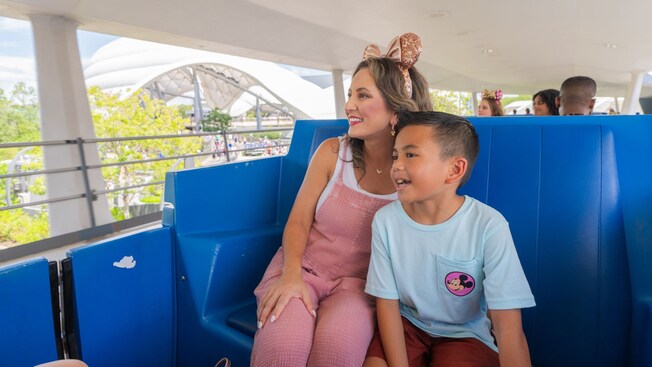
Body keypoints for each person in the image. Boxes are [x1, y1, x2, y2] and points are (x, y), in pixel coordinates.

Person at [251, 33, 433, 366]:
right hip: (300, 269)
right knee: (283, 350)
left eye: (363, 95)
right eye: (350, 94)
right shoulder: (333, 152)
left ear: (397, 109)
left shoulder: (414, 175)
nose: (349, 105)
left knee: (336, 352)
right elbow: (299, 221)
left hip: (359, 290)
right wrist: (290, 275)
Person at [364, 111, 535, 367]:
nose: (397, 165)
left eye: (410, 154)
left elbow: (508, 329)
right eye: (395, 155)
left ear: (454, 169)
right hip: (408, 325)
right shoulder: (386, 221)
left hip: (465, 334)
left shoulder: (489, 225)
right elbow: (387, 304)